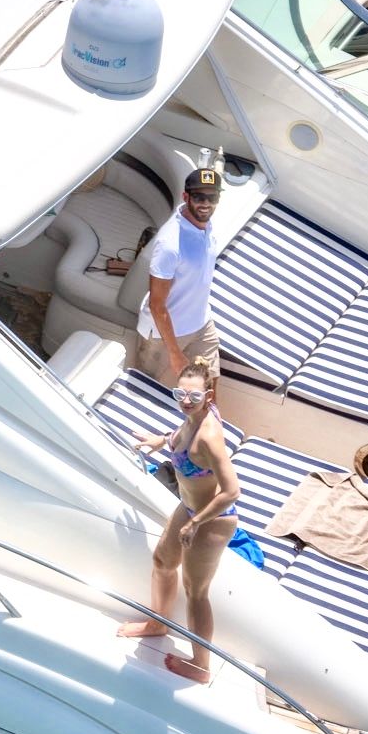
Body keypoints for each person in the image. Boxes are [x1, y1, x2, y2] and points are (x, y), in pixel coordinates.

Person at [117, 363, 242, 683]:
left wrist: (195, 523)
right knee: (163, 561)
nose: (186, 401)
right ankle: (158, 623)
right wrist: (161, 441)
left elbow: (232, 492)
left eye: (194, 396)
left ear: (208, 396)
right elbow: (179, 436)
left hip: (212, 519)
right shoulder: (194, 415)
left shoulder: (208, 438)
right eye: (180, 393)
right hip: (189, 508)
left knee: (196, 591)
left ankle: (201, 666)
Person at [138, 167, 225, 393]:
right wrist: (175, 353)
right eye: (199, 197)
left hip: (201, 323)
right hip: (163, 334)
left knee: (208, 388)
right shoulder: (170, 244)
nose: (206, 203)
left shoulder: (206, 225)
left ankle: (208, 418)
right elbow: (157, 305)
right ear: (186, 197)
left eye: (212, 197)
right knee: (147, 390)